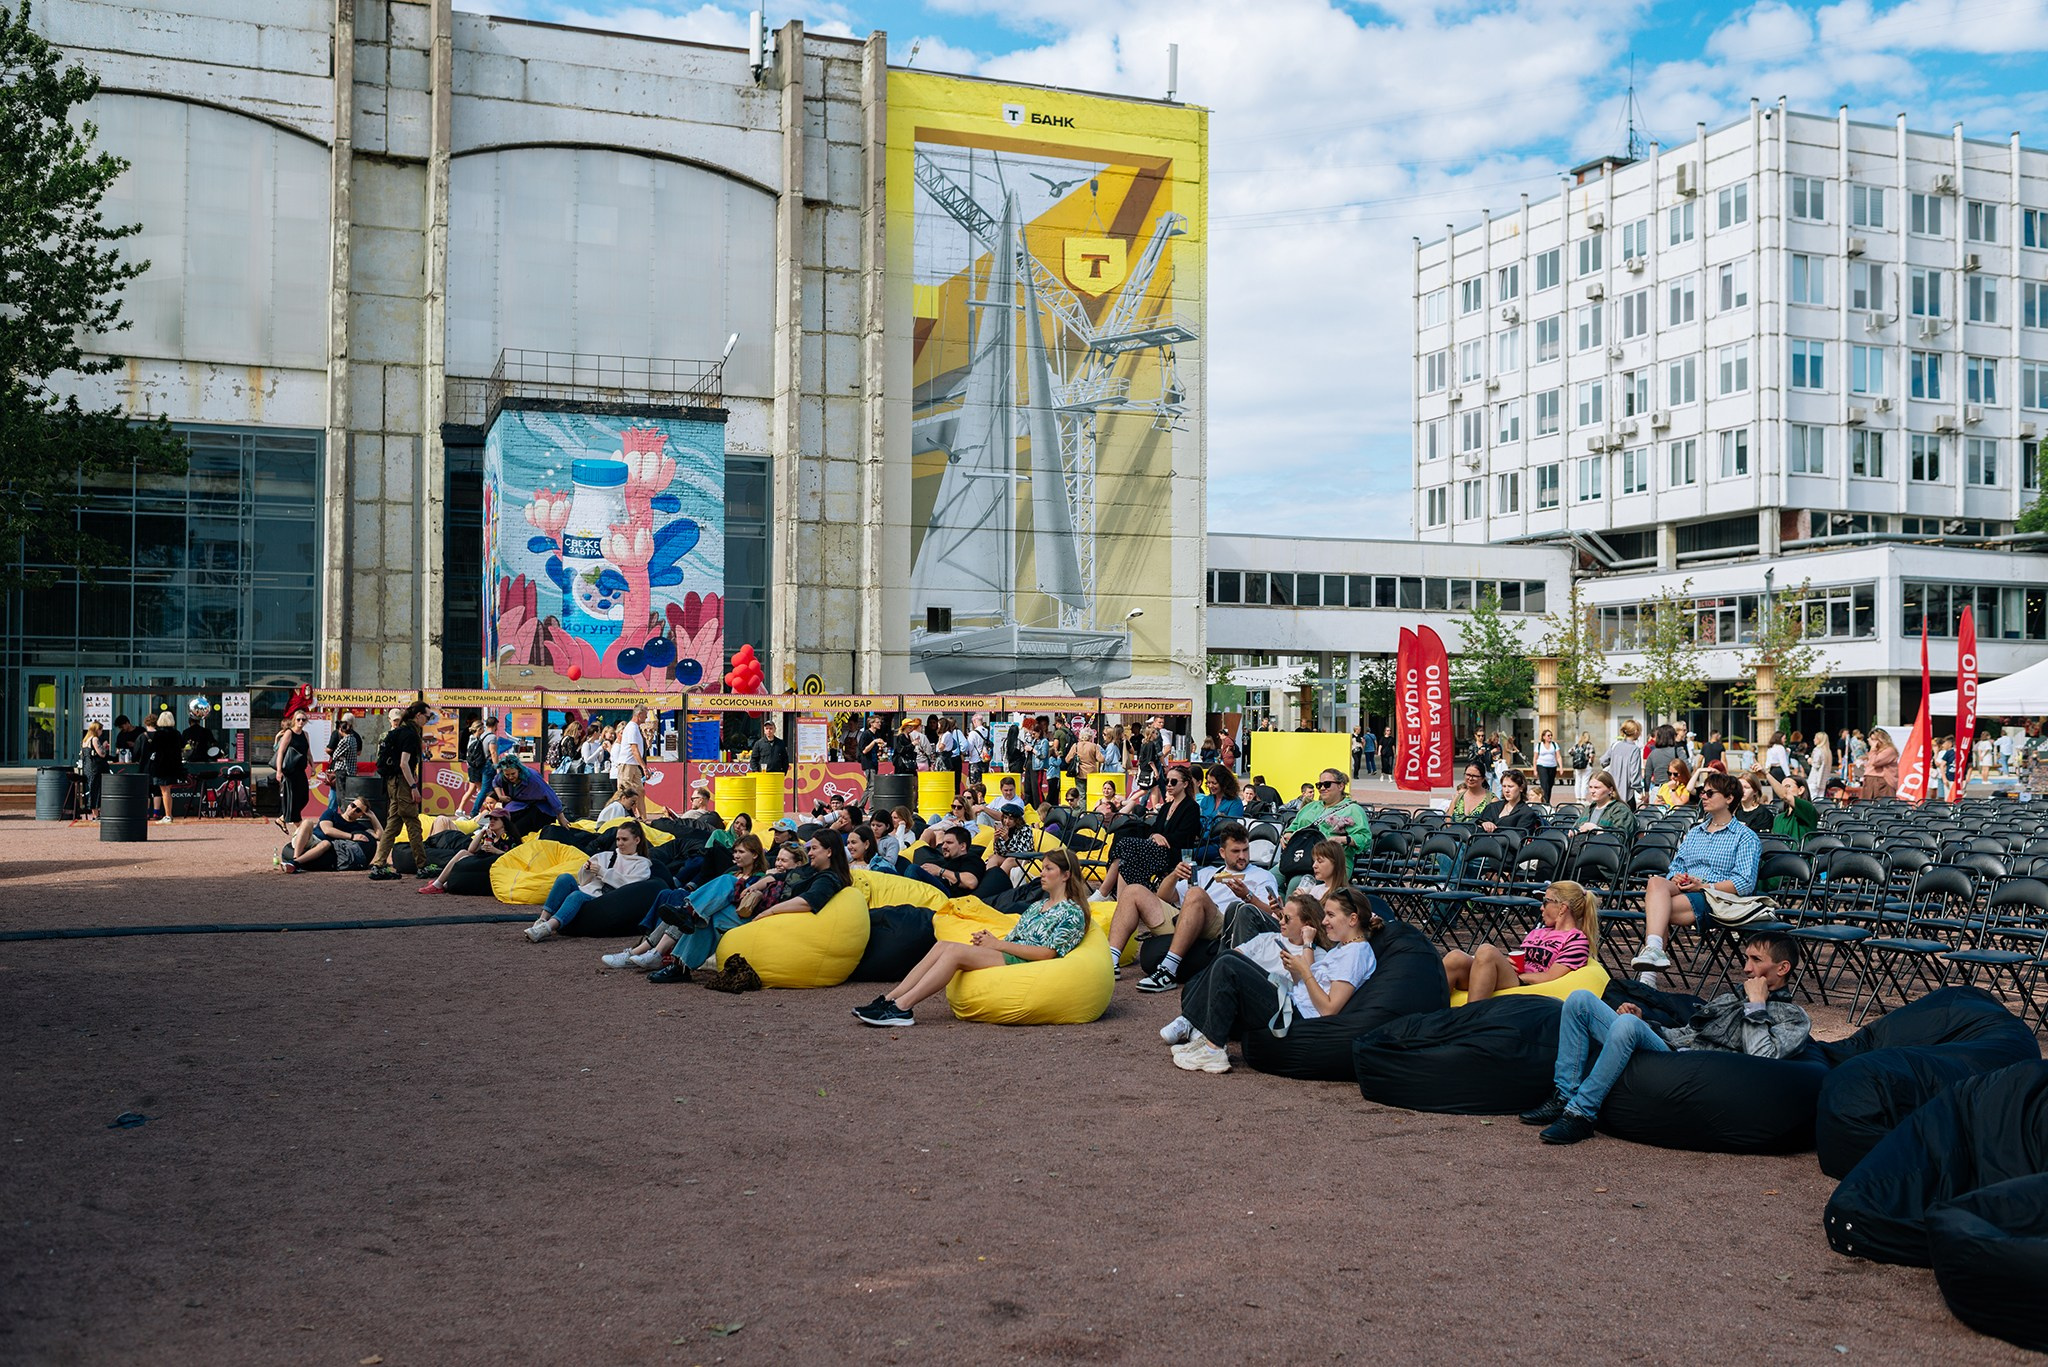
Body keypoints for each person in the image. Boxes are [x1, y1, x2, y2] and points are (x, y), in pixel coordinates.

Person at [1523, 931, 1812, 1144]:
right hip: (1673, 1054)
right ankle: (1564, 1094)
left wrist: (1756, 1006)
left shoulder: (1793, 1017)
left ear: (1782, 968)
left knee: (1624, 1025)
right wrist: (1645, 1022)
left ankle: (1582, 1115)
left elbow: (1762, 1059)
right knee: (1580, 1000)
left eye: (1756, 960)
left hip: (1699, 1071)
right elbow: (1688, 1032)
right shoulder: (1731, 997)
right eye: (1746, 958)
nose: (1746, 968)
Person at [852, 848, 1091, 1027]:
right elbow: (1016, 936)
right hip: (1010, 953)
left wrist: (997, 944)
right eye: (1043, 868)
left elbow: (1048, 952)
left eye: (1049, 869)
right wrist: (990, 940)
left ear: (1066, 875)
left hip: (1025, 962)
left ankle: (903, 1009)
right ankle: (890, 999)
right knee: (944, 944)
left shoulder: (1072, 912)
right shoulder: (1038, 906)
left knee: (955, 953)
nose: (1042, 873)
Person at [1168, 886, 1382, 1074]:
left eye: (1330, 915)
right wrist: (1298, 971)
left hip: (1295, 1017)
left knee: (1228, 965)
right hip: (1291, 1001)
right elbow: (1308, 988)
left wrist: (1304, 972)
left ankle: (1213, 1049)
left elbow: (1329, 1009)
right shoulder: (1343, 947)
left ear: (1353, 919)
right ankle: (1206, 1035)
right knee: (1228, 957)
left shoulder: (1355, 954)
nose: (1324, 921)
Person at [1627, 772, 1762, 977]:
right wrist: (1677, 877)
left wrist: (1704, 886)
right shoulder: (1696, 832)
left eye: (1709, 792)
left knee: (1657, 910)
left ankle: (1648, 977)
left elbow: (1744, 883)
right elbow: (1677, 865)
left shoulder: (1745, 836)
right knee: (1656, 882)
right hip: (1686, 888)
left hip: (1716, 896)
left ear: (1729, 798)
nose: (1703, 796)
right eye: (1702, 792)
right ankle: (1654, 953)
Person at [1126, 824, 1283, 992]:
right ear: (1222, 853)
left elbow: (1271, 914)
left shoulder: (1261, 876)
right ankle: (1111, 961)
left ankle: (1168, 971)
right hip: (1189, 920)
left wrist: (1247, 896)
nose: (1242, 856)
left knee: (1195, 894)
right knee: (1133, 890)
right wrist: (1174, 875)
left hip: (1224, 926)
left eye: (1245, 850)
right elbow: (1163, 897)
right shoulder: (1207, 873)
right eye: (1236, 852)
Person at [1442, 880, 1597, 1002]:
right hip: (1513, 977)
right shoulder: (1537, 932)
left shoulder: (1576, 940)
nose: (1541, 908)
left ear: (1562, 907)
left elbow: (1550, 976)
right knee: (1455, 957)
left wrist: (1517, 976)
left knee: (1487, 951)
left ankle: (1467, 1021)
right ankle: (1429, 1016)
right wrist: (1506, 964)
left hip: (1526, 984)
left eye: (1545, 901)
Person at [524, 822, 658, 941]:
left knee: (577, 896)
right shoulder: (605, 856)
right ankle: (542, 920)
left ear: (637, 840)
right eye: (617, 839)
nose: (620, 843)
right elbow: (583, 882)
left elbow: (630, 888)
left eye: (624, 839)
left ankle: (547, 928)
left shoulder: (642, 865)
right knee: (565, 878)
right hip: (586, 892)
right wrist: (587, 869)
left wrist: (602, 872)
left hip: (602, 902)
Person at [1093, 765, 1204, 900]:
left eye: (1173, 782)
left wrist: (1161, 837)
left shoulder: (1191, 807)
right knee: (1126, 854)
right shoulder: (1166, 807)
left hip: (1174, 853)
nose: (1169, 785)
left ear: (1185, 784)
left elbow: (1184, 835)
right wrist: (1154, 835)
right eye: (1167, 781)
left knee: (1127, 845)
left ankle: (1105, 893)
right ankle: (1118, 899)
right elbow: (1154, 830)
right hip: (1156, 849)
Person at [366, 702, 431, 881]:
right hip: (402, 782)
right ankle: (422, 866)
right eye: (428, 716)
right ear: (418, 716)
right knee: (413, 823)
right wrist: (413, 787)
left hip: (392, 782)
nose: (428, 720)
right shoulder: (410, 734)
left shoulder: (399, 731)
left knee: (393, 824)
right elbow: (404, 763)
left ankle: (379, 865)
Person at [1282, 769, 1372, 871]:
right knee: (1268, 878)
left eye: (1327, 784)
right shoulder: (1310, 807)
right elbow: (1292, 827)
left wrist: (1340, 840)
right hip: (1299, 856)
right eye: (1319, 785)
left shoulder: (1353, 809)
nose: (1322, 788)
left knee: (1296, 883)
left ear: (1340, 786)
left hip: (1334, 861)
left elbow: (1365, 839)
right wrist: (1287, 835)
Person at [415, 810, 516, 893]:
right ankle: (439, 883)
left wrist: (495, 850)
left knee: (463, 859)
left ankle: (441, 884)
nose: (491, 821)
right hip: (482, 861)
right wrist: (481, 833)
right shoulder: (490, 835)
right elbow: (471, 849)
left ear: (504, 822)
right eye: (490, 819)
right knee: (463, 852)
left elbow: (512, 858)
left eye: (495, 819)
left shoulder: (509, 838)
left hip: (491, 866)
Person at [470, 754, 567, 838]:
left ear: (519, 770)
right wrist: (500, 796)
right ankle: (485, 834)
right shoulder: (502, 776)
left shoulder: (532, 778)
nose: (510, 777)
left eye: (513, 774)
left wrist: (560, 816)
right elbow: (495, 783)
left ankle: (509, 839)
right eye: (507, 775)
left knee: (518, 828)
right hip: (519, 804)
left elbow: (550, 794)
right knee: (504, 818)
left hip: (540, 808)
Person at [279, 795, 384, 872]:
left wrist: (373, 816)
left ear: (361, 815)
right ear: (348, 805)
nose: (353, 810)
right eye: (353, 805)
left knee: (326, 843)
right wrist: (352, 836)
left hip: (322, 847)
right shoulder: (331, 813)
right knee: (307, 822)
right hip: (309, 838)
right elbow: (327, 830)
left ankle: (295, 864)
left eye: (358, 810)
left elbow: (380, 837)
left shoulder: (358, 827)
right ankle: (295, 859)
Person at [908, 824, 985, 896]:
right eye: (943, 843)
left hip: (948, 896)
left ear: (962, 846)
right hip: (934, 889)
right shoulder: (947, 860)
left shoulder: (972, 859)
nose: (943, 846)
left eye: (949, 843)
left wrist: (940, 871)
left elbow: (971, 882)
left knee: (913, 869)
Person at [1476, 769, 1544, 835]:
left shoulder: (1527, 813)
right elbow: (1478, 824)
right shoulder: (1492, 807)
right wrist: (1484, 823)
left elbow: (1519, 839)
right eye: (1504, 786)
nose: (1506, 790)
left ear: (1521, 788)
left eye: (1510, 786)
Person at [148, 711, 184, 825]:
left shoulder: (159, 734)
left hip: (161, 765)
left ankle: (168, 815)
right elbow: (182, 747)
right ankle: (169, 814)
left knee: (165, 791)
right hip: (174, 765)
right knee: (167, 790)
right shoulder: (177, 733)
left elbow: (154, 749)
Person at [1574, 771, 1636, 836]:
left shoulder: (1620, 810)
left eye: (1596, 787)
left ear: (1610, 790)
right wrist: (1574, 832)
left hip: (1604, 845)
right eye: (1590, 787)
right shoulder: (1588, 809)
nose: (1592, 791)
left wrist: (1596, 829)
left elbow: (1621, 838)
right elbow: (1576, 827)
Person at [1600, 719, 1644, 807]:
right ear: (1636, 731)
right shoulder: (1634, 749)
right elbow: (1634, 774)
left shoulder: (1615, 745)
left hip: (1612, 790)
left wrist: (1613, 766)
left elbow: (1603, 760)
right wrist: (1640, 790)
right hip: (1626, 793)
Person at [75, 721, 110, 819]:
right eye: (101, 730)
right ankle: (96, 813)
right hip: (96, 768)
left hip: (87, 768)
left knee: (92, 789)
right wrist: (104, 745)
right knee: (97, 790)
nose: (101, 732)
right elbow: (101, 753)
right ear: (97, 729)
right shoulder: (94, 739)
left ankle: (94, 813)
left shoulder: (85, 740)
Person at [1860, 730, 1899, 800]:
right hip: (1870, 780)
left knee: (1882, 807)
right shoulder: (1876, 751)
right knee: (1866, 804)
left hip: (1882, 782)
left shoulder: (1889, 750)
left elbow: (1875, 762)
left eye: (1873, 740)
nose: (1870, 742)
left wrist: (1873, 749)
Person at [326, 714, 360, 793]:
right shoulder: (355, 737)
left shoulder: (342, 738)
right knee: (347, 792)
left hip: (341, 769)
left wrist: (340, 757)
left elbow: (331, 751)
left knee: (339, 794)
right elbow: (358, 752)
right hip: (351, 769)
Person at [1533, 729, 1561, 805]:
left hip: (1552, 766)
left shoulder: (1554, 745)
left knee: (1550, 784)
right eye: (1548, 735)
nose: (1550, 737)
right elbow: (1535, 758)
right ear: (1544, 737)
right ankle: (1545, 802)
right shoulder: (1539, 745)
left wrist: (1561, 767)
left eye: (1551, 735)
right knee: (1544, 784)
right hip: (1542, 766)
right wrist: (1535, 770)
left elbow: (1558, 756)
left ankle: (1547, 800)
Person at [1569, 732, 1596, 802]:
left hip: (1577, 766)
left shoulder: (1577, 745)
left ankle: (1578, 798)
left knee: (1578, 781)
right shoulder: (1589, 745)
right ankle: (1583, 798)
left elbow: (1570, 751)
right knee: (1585, 782)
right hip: (1586, 765)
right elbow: (1591, 755)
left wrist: (1576, 756)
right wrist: (1590, 762)